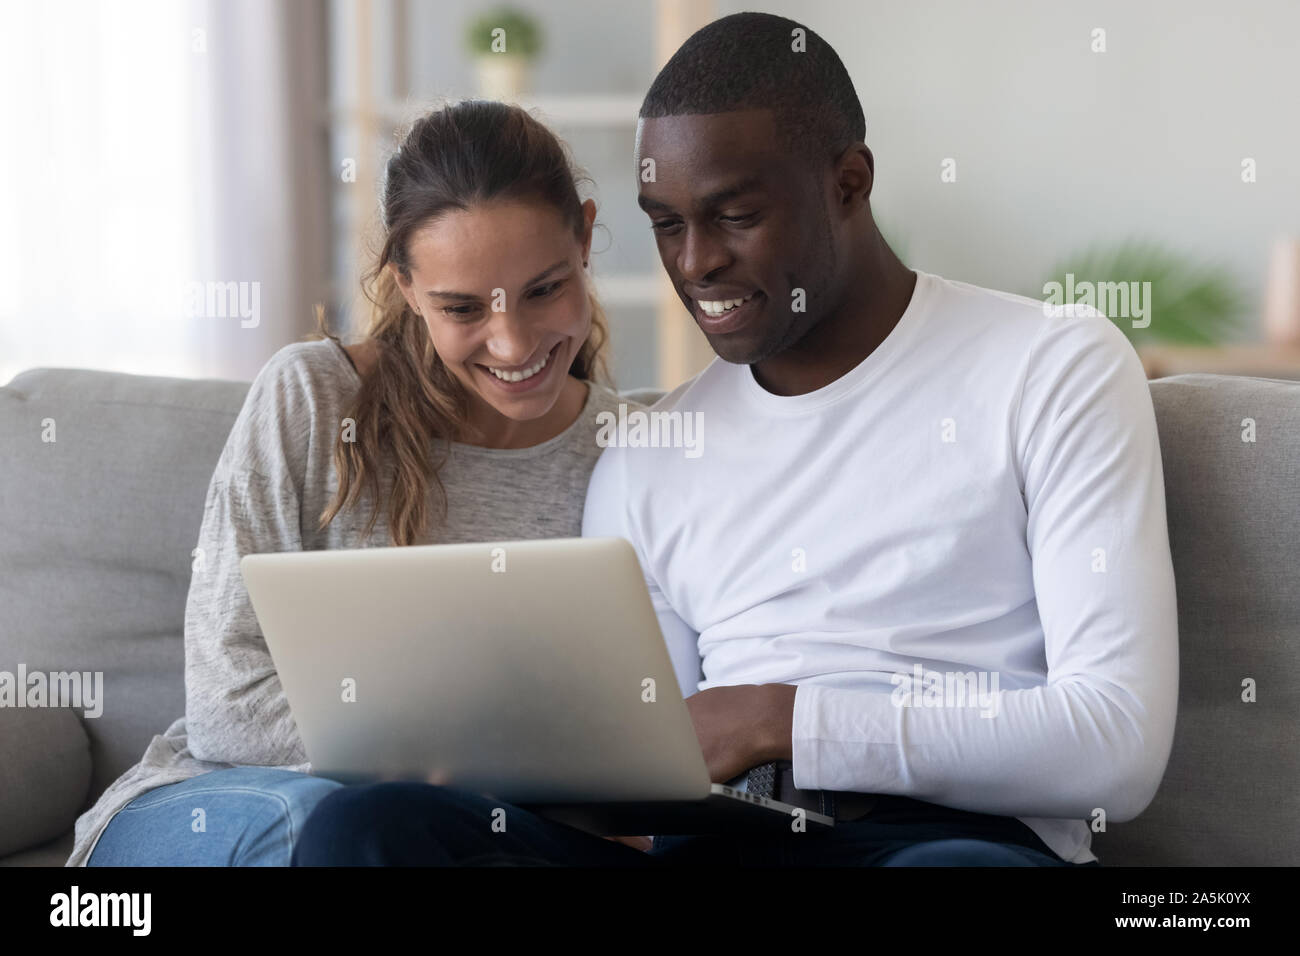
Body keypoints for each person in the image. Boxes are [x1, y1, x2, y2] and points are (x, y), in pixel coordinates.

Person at [292, 13, 1176, 867]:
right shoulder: (648, 451)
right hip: (719, 846)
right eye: (666, 223)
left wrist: (781, 722)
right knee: (372, 828)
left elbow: (1115, 744)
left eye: (734, 216)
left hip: (944, 840)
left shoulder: (1053, 365)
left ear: (849, 182)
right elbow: (639, 784)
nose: (694, 263)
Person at [67, 99, 643, 866]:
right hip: (224, 801)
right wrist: (450, 767)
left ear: (585, 237)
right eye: (462, 308)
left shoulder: (628, 453)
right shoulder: (311, 397)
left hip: (441, 833)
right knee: (345, 824)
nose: (513, 342)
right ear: (406, 286)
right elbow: (224, 705)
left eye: (543, 289)